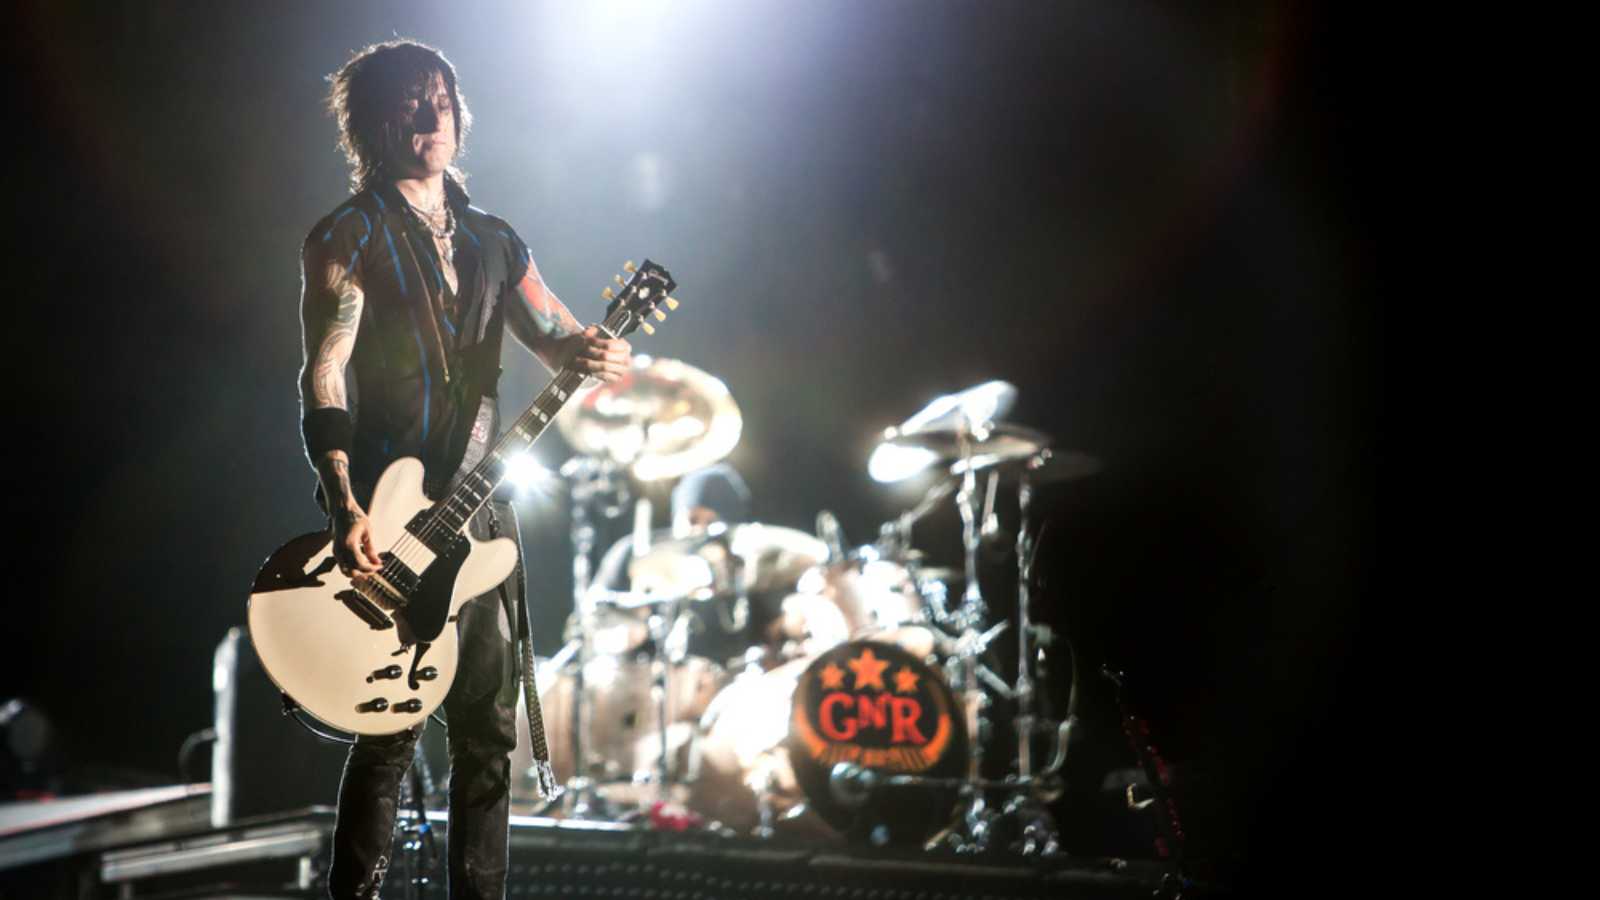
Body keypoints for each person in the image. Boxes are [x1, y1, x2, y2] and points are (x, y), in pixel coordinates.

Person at [298, 39, 630, 899]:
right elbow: (325, 367)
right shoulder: (347, 235)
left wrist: (588, 346)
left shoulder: (493, 238)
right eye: (411, 101)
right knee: (391, 727)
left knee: (487, 734)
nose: (431, 116)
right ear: (372, 120)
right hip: (387, 502)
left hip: (482, 507)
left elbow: (550, 331)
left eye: (442, 99)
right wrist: (342, 500)